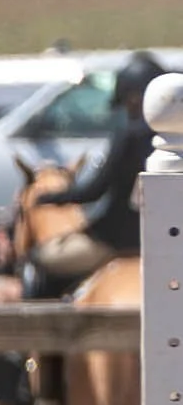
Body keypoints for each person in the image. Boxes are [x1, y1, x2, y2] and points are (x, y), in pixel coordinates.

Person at [25, 52, 165, 291]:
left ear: (134, 99)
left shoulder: (129, 136)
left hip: (116, 239)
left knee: (41, 259)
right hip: (167, 240)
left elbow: (93, 191)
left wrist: (51, 197)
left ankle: (44, 323)